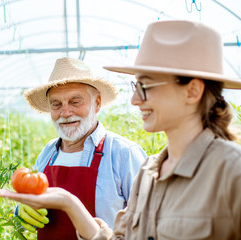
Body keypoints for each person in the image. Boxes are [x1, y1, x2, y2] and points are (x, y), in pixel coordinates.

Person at [0, 20, 241, 239]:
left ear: (193, 90)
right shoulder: (150, 173)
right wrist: (68, 203)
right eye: (135, 87)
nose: (135, 101)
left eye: (147, 86)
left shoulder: (238, 175)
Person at [14, 57, 146, 239]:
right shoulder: (48, 153)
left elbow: (148, 225)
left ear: (97, 103)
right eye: (56, 104)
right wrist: (22, 209)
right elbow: (33, 202)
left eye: (75, 102)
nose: (65, 112)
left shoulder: (123, 153)